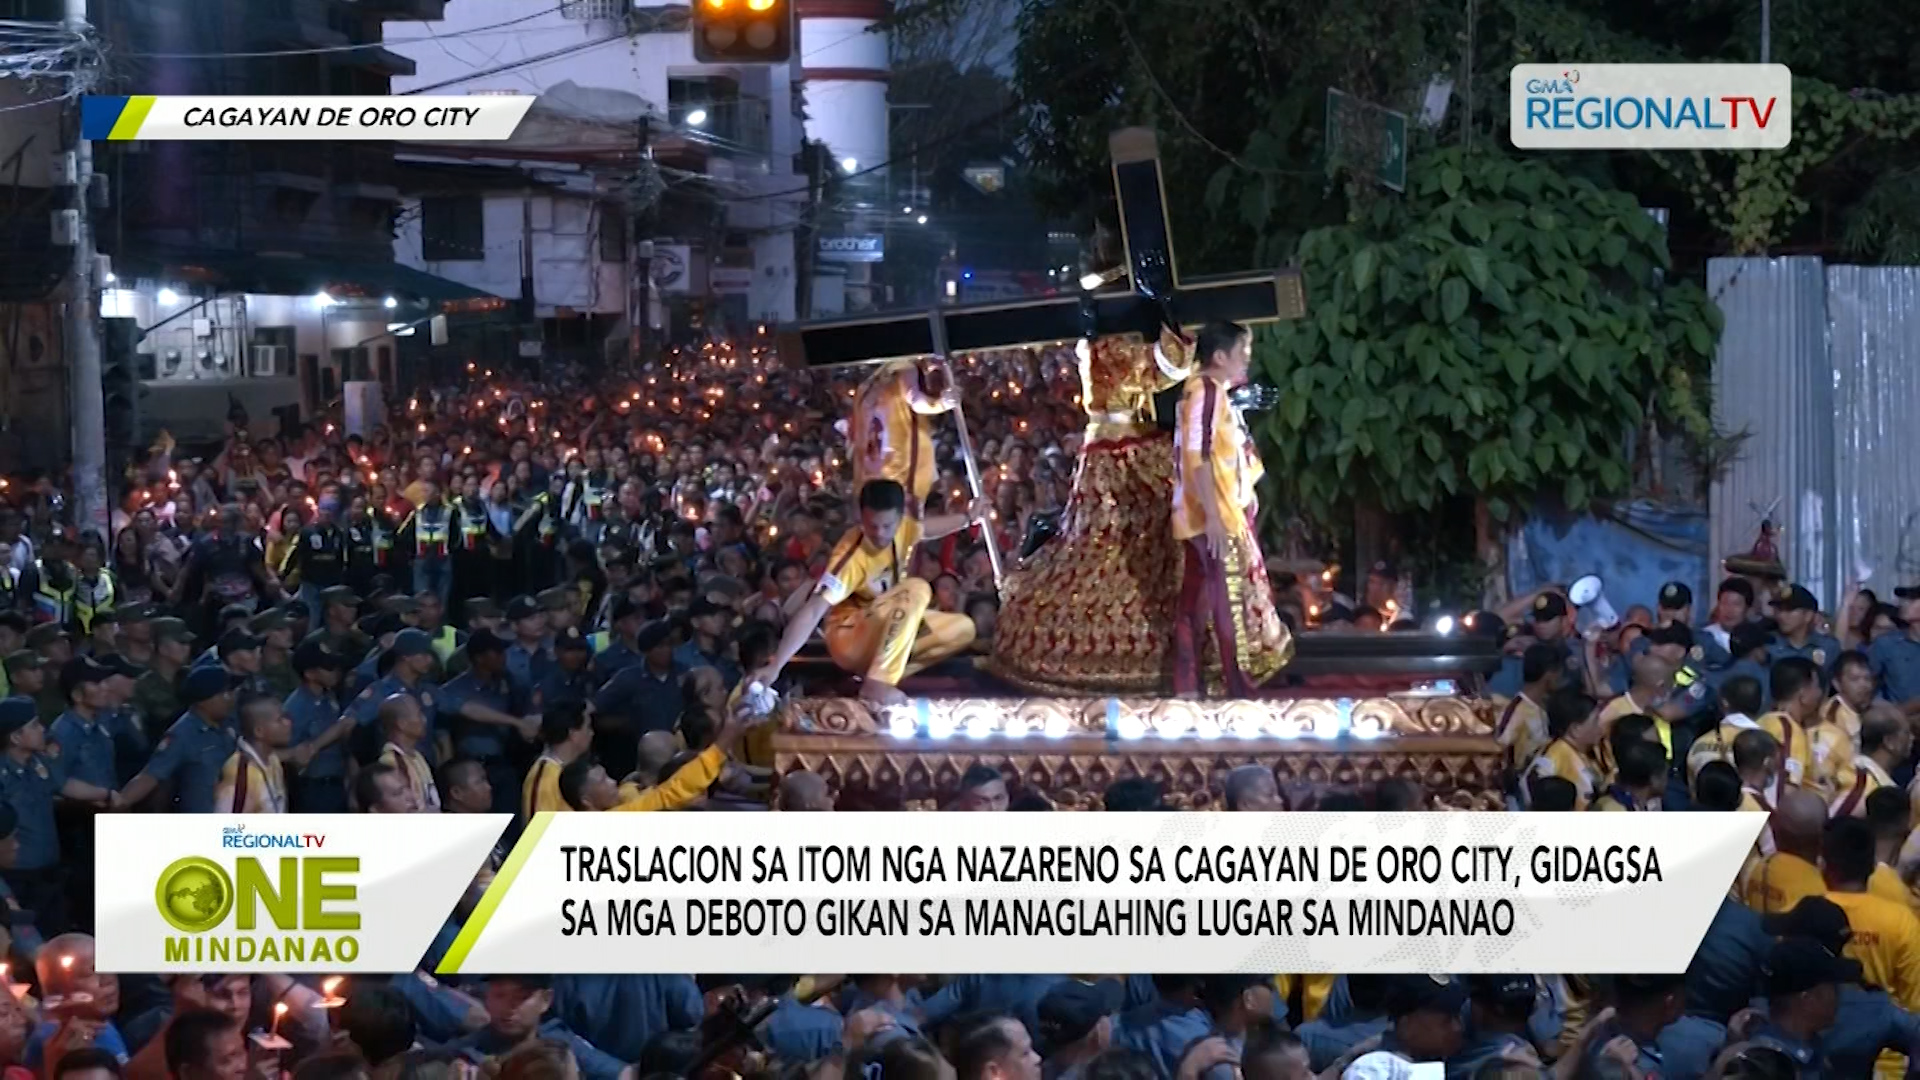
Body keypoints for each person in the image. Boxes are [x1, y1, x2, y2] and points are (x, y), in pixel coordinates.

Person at [988, 328, 1195, 694]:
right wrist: (1182, 338)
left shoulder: (1096, 339)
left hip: (1109, 447)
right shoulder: (1115, 342)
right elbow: (1164, 370)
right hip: (1122, 453)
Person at [747, 480, 982, 706]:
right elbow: (813, 610)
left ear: (899, 519)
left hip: (886, 629)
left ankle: (882, 674)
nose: (879, 533)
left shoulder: (904, 529)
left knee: (962, 629)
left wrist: (968, 518)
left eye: (886, 526)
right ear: (861, 518)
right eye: (872, 525)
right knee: (916, 588)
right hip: (850, 636)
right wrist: (776, 665)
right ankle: (877, 683)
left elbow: (926, 529)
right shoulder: (851, 557)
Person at [1168, 322, 1291, 697]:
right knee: (1228, 601)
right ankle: (1237, 686)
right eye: (1242, 355)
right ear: (1220, 357)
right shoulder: (1206, 392)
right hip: (1211, 517)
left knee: (1196, 601)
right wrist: (1216, 516)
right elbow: (1199, 456)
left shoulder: (1210, 391)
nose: (1246, 363)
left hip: (1204, 514)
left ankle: (1187, 685)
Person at [849, 358, 959, 519]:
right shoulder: (903, 367)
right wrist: (943, 403)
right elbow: (915, 400)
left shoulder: (867, 388)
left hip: (881, 465)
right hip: (902, 461)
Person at [214, 691, 292, 813]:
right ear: (259, 731)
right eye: (279, 720)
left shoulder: (272, 759)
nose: (288, 723)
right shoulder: (240, 773)